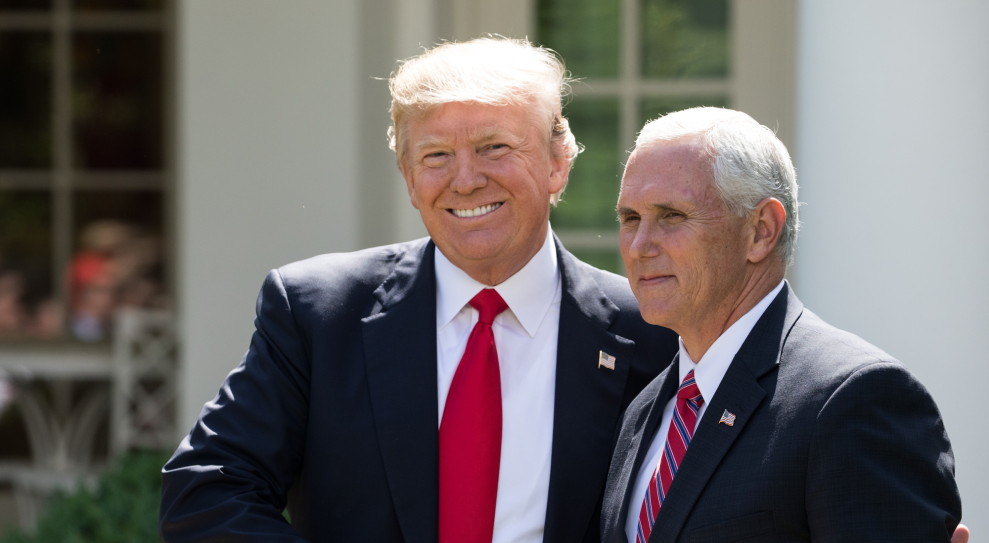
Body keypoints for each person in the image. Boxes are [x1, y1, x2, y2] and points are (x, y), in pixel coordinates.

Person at [159, 38, 678, 543]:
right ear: (408, 177)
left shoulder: (655, 331)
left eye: (494, 147)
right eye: (436, 156)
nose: (465, 180)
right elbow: (206, 491)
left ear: (557, 163)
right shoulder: (318, 314)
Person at [600, 107, 963, 542]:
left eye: (672, 215)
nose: (639, 246)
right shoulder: (643, 411)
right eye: (630, 219)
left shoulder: (855, 399)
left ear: (761, 231)